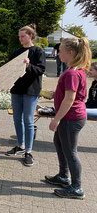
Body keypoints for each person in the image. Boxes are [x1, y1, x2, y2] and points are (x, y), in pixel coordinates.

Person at [44, 37, 91, 199]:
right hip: (70, 117)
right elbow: (69, 94)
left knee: (70, 151)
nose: (58, 54)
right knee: (60, 144)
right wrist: (52, 95)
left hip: (71, 118)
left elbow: (70, 99)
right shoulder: (75, 70)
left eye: (61, 51)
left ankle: (77, 188)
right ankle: (63, 176)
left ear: (70, 53)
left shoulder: (72, 73)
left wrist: (56, 119)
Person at [5, 24, 45, 167]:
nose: (20, 39)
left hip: (31, 91)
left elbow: (40, 69)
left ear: (30, 36)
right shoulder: (17, 52)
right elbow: (10, 69)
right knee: (17, 119)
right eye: (19, 37)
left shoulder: (38, 52)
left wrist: (28, 66)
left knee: (28, 120)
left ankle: (28, 150)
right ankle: (20, 146)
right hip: (17, 90)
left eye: (23, 36)